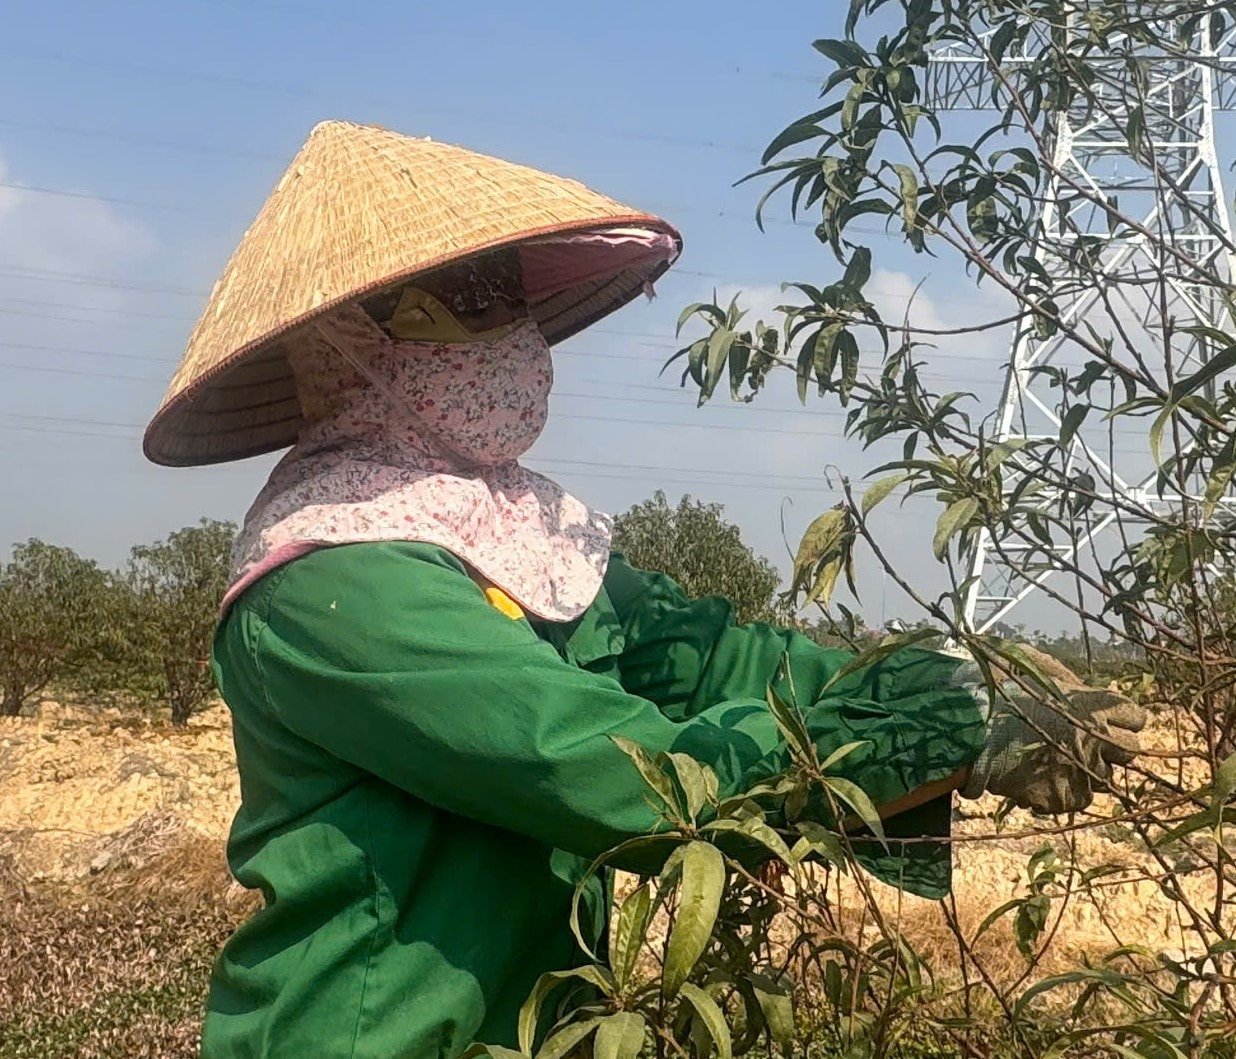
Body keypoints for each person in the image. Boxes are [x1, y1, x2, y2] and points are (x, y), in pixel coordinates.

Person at [144, 121, 1146, 1059]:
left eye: (510, 294)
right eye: (468, 301)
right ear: (357, 340)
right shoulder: (337, 582)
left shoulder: (501, 531)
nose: (517, 335)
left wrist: (953, 679)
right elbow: (609, 771)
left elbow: (706, 655)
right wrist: (928, 732)